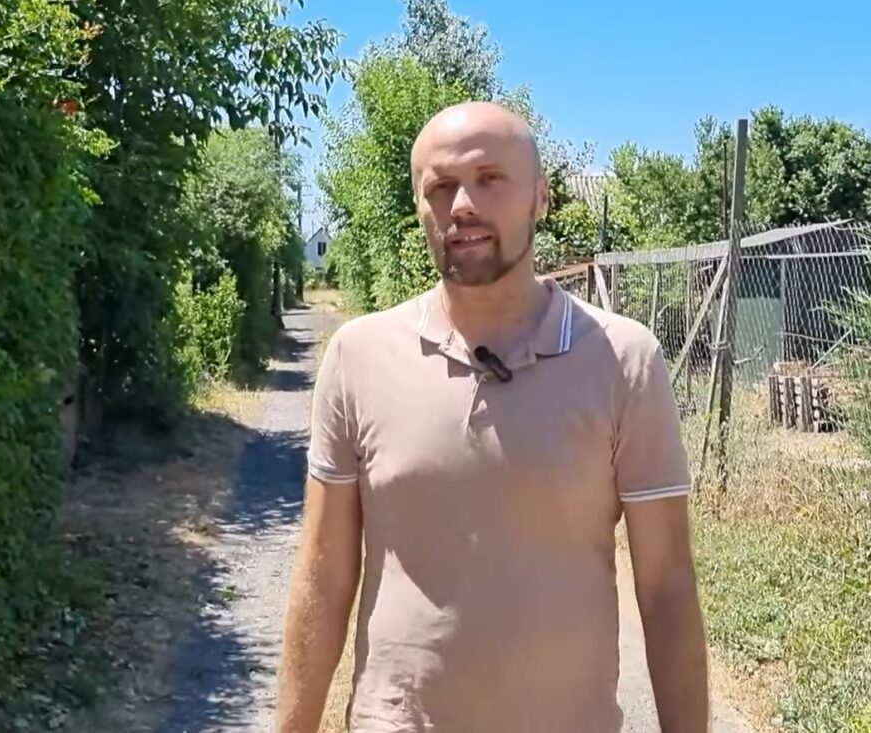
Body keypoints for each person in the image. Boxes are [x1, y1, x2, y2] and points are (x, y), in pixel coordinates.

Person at [276, 101, 709, 732]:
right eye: (441, 187)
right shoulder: (358, 357)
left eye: (490, 179)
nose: (462, 205)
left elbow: (666, 587)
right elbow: (323, 575)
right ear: (419, 207)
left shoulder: (622, 360)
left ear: (540, 198)